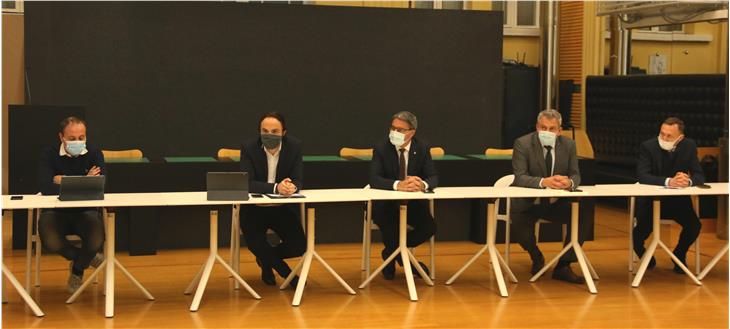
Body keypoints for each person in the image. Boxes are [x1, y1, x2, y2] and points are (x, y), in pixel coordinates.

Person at [510, 109, 587, 284]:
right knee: (519, 222)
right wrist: (544, 181)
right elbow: (519, 176)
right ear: (537, 127)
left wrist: (569, 183)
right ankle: (536, 256)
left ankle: (564, 265)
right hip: (529, 204)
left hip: (556, 203)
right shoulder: (523, 143)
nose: (547, 132)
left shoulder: (569, 145)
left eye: (552, 129)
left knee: (583, 213)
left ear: (559, 131)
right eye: (543, 127)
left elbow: (576, 175)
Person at [37, 116, 106, 293]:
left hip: (85, 211)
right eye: (72, 138)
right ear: (61, 137)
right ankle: (84, 259)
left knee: (96, 238)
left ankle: (77, 270)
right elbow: (45, 187)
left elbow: (100, 185)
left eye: (81, 138)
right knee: (51, 241)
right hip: (54, 211)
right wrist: (84, 181)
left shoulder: (94, 152)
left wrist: (61, 180)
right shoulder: (49, 153)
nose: (78, 142)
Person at [369, 111, 438, 280]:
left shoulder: (421, 148)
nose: (395, 132)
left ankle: (389, 253)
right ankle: (409, 262)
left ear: (412, 132)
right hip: (386, 204)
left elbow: (433, 177)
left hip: (412, 203)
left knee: (429, 227)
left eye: (400, 130)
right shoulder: (381, 147)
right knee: (392, 230)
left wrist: (421, 184)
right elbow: (374, 179)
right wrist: (397, 185)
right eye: (393, 128)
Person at [240, 112, 305, 288]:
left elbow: (298, 179)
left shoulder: (294, 146)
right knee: (257, 244)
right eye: (264, 131)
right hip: (254, 209)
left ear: (284, 133)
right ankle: (290, 276)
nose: (269, 135)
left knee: (299, 246)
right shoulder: (249, 147)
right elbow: (247, 182)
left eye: (274, 131)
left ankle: (266, 261)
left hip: (282, 208)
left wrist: (292, 186)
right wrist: (276, 187)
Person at [634, 117, 704, 273]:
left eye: (669, 136)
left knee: (694, 226)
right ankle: (645, 255)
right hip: (651, 201)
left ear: (680, 138)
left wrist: (688, 181)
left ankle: (679, 254)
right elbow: (642, 175)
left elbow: (700, 175)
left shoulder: (689, 146)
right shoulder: (648, 146)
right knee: (637, 235)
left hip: (678, 202)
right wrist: (668, 182)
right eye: (662, 134)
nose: (664, 138)